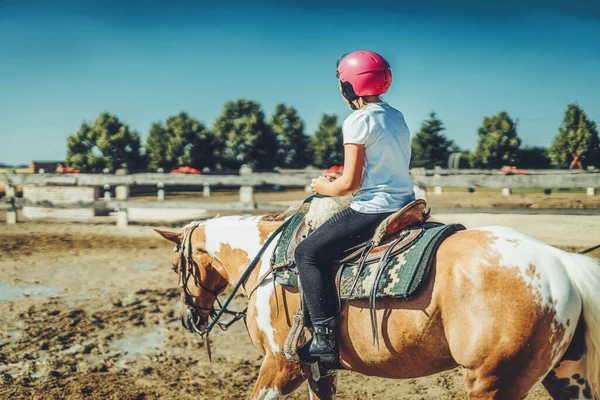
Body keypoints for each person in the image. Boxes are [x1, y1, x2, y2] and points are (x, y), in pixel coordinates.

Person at [295, 50, 415, 364]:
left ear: (350, 87)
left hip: (373, 208)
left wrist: (321, 185)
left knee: (306, 254)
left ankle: (323, 340)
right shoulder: (395, 115)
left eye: (341, 83)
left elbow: (346, 187)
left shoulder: (357, 120)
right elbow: (376, 168)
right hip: (404, 204)